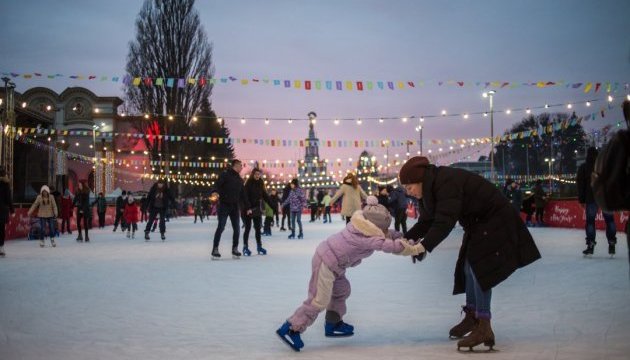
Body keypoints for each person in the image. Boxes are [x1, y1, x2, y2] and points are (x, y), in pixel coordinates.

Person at [398, 156, 541, 351]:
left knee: (479, 268)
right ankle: (473, 316)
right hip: (477, 223)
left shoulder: (445, 182)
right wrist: (406, 240)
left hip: (494, 219)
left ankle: (484, 325)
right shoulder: (430, 190)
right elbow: (426, 222)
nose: (409, 192)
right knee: (467, 267)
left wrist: (423, 247)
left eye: (409, 187)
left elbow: (444, 222)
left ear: (420, 179)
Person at [276, 196, 424, 352]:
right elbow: (388, 245)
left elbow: (389, 235)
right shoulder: (366, 238)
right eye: (384, 229)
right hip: (326, 262)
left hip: (335, 265)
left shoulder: (364, 227)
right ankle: (291, 328)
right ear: (374, 227)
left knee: (342, 290)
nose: (386, 232)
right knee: (319, 300)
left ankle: (333, 323)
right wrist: (414, 249)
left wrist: (405, 238)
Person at [577, 147, 617, 256]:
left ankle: (590, 244)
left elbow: (581, 185)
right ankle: (612, 242)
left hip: (591, 198)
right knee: (610, 220)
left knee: (590, 222)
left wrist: (581, 200)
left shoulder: (584, 167)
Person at [210, 159, 246, 259]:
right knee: (221, 227)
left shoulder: (239, 179)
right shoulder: (225, 175)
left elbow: (243, 195)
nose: (241, 167)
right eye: (240, 165)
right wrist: (214, 191)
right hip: (224, 205)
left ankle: (235, 248)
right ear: (234, 166)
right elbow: (217, 184)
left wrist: (248, 206)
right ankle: (215, 249)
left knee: (237, 228)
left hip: (234, 206)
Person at [241, 168, 272, 256]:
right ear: (252, 174)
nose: (257, 176)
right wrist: (248, 208)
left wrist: (272, 204)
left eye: (259, 174)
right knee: (247, 228)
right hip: (247, 209)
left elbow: (264, 195)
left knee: (258, 229)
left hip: (257, 209)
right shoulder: (248, 183)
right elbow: (245, 197)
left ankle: (259, 246)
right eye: (256, 174)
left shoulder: (261, 183)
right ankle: (245, 247)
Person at [0, 168, 15, 256]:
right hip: (2, 210)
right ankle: (1, 247)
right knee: (1, 229)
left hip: (2, 210)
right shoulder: (5, 184)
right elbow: (8, 198)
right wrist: (12, 210)